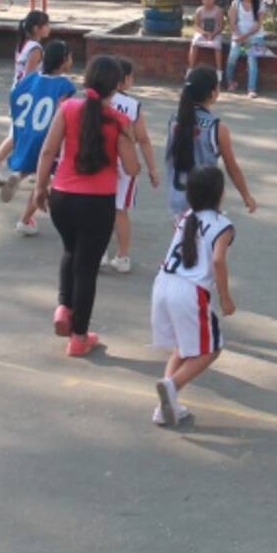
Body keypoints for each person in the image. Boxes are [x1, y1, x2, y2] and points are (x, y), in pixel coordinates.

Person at [33, 55, 140, 358]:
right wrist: (129, 138)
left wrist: (41, 188)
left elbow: (47, 152)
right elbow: (132, 170)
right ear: (117, 86)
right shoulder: (118, 121)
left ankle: (64, 308)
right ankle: (79, 336)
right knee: (87, 268)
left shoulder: (67, 109)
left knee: (70, 251)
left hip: (63, 197)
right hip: (97, 202)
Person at [151, 166, 236, 427]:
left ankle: (165, 407)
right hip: (189, 291)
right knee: (211, 349)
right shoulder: (223, 225)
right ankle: (172, 386)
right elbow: (219, 261)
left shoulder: (186, 216)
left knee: (183, 346)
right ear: (220, 194)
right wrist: (225, 298)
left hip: (164, 283)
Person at [2, 40, 76, 236]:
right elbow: (63, 111)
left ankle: (18, 176)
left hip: (28, 130)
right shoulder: (64, 85)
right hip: (49, 136)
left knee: (32, 165)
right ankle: (25, 220)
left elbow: (16, 95)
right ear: (64, 61)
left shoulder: (31, 78)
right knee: (44, 181)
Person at [166, 66, 256, 220]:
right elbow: (231, 167)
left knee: (183, 241)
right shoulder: (217, 128)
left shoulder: (175, 120)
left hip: (178, 197)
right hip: (204, 201)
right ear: (213, 92)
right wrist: (246, 196)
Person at [102, 57, 160, 274]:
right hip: (125, 164)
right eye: (132, 76)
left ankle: (99, 253)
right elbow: (143, 139)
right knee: (120, 210)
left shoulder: (97, 99)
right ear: (124, 79)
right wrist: (152, 169)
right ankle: (122, 256)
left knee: (100, 208)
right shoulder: (132, 105)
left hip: (100, 160)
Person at [0, 10, 51, 186]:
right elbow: (29, 77)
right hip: (27, 95)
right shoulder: (35, 48)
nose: (49, 28)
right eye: (47, 25)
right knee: (21, 134)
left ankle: (35, 170)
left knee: (32, 133)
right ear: (37, 28)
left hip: (18, 93)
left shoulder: (23, 44)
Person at [224, 0, 265, 98]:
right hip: (238, 36)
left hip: (255, 36)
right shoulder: (236, 3)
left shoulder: (260, 4)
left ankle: (251, 89)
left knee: (252, 59)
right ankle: (230, 82)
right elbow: (232, 21)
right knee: (232, 57)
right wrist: (238, 35)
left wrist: (245, 36)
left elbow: (258, 25)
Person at [188, 0, 225, 77]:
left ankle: (219, 70)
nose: (207, 1)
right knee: (194, 43)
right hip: (202, 33)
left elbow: (221, 26)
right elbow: (196, 25)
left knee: (217, 46)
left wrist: (213, 34)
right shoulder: (199, 10)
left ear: (214, 0)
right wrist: (203, 32)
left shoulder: (218, 10)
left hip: (215, 33)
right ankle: (190, 68)